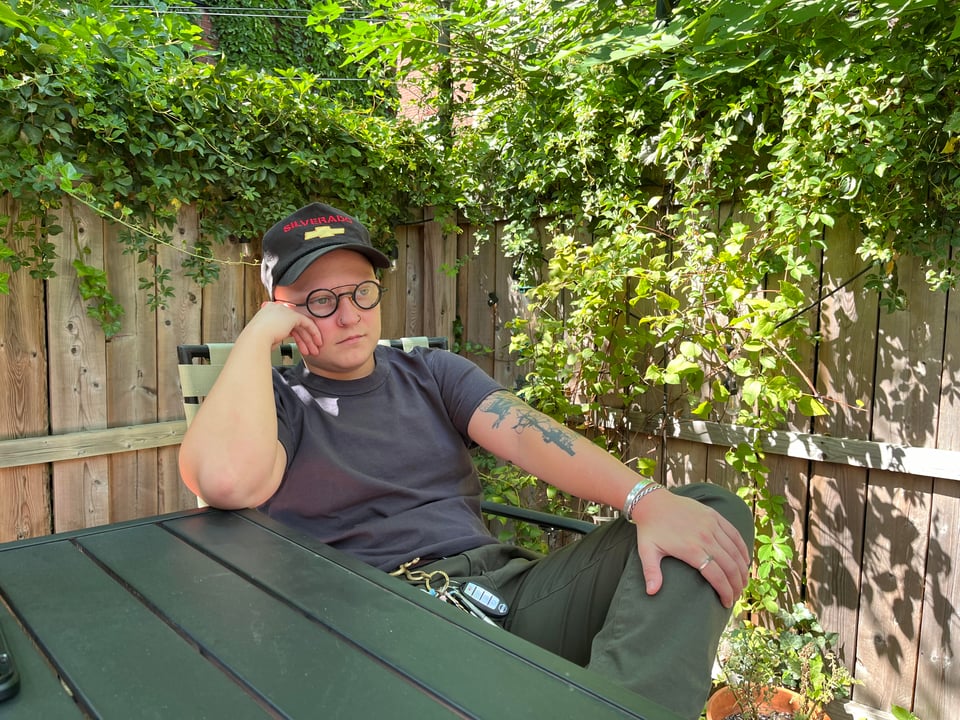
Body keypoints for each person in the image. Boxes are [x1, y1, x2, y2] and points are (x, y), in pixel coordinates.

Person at [178, 202, 754, 719]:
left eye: (361, 292)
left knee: (705, 514)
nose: (349, 316)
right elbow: (225, 482)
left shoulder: (431, 374)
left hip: (504, 596)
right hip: (377, 625)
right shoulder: (275, 404)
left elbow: (528, 436)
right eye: (320, 302)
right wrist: (256, 340)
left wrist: (645, 500)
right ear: (281, 311)